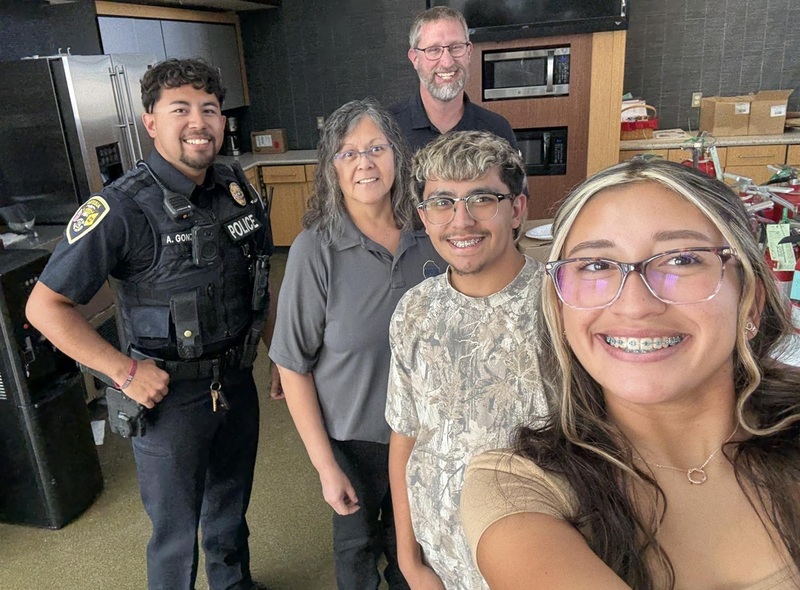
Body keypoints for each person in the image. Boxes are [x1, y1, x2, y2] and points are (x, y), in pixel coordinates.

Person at [461, 159, 800, 589]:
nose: (635, 305)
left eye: (681, 259)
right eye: (597, 265)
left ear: (749, 301)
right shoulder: (519, 486)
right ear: (560, 309)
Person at [26, 58, 272, 590]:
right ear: (151, 122)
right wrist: (123, 371)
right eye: (179, 108)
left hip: (234, 380)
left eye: (209, 109)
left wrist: (272, 353)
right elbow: (44, 307)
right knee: (175, 532)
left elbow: (255, 278)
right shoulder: (119, 208)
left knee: (230, 507)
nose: (198, 122)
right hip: (167, 401)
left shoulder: (233, 185)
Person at [269, 97, 445, 590]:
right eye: (348, 153)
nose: (365, 162)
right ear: (331, 168)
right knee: (358, 551)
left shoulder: (431, 233)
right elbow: (292, 365)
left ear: (397, 156)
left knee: (418, 550)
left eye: (376, 148)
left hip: (426, 435)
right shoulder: (315, 249)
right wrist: (326, 465)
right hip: (353, 440)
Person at [386, 130, 550, 590]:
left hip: (538, 560)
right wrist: (409, 559)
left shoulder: (563, 308)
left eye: (481, 198)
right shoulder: (414, 311)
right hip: (441, 560)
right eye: (442, 202)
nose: (461, 220)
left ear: (516, 209)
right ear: (423, 216)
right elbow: (405, 436)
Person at [390, 6, 520, 154]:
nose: (447, 62)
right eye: (434, 50)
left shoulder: (497, 130)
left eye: (456, 47)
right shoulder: (387, 129)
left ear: (469, 52)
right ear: (415, 58)